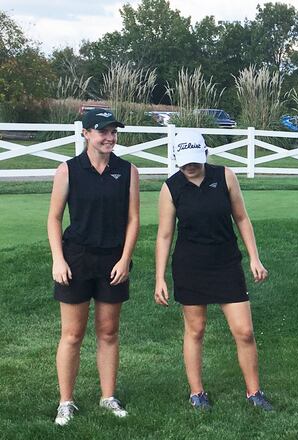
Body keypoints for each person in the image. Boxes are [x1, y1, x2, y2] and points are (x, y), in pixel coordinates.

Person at [154, 132, 273, 410]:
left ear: (205, 154)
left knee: (244, 331)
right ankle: (197, 393)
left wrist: (254, 258)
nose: (190, 167)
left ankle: (254, 393)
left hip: (226, 263)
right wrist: (159, 277)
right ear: (176, 160)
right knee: (195, 329)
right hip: (190, 266)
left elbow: (242, 218)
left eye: (195, 160)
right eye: (184, 163)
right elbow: (164, 235)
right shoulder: (171, 188)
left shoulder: (225, 176)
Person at [48, 109, 140, 425]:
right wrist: (58, 259)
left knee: (109, 332)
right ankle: (66, 402)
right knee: (72, 334)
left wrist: (126, 258)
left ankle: (108, 397)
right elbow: (54, 218)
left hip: (113, 259)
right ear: (86, 133)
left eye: (114, 132)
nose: (110, 137)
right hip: (76, 259)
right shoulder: (68, 170)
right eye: (103, 131)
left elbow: (133, 219)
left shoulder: (128, 171)